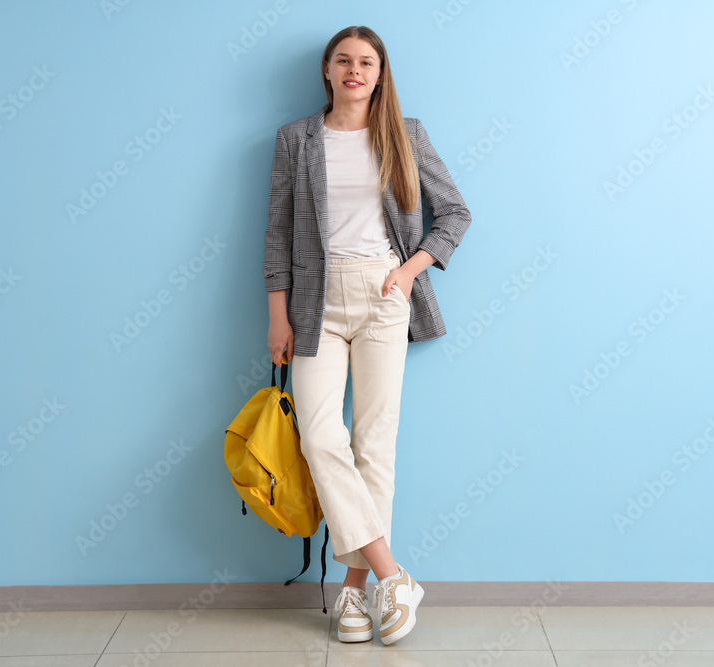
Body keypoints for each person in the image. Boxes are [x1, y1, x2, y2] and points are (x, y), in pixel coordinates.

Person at [263, 25, 471, 645]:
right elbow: (278, 232)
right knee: (320, 434)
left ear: (381, 74)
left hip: (384, 296)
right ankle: (392, 575)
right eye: (343, 61)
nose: (355, 70)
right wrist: (277, 313)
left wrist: (408, 272)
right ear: (327, 70)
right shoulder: (295, 140)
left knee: (374, 444)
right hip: (313, 301)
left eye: (367, 62)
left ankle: (353, 597)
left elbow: (455, 212)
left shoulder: (405, 136)